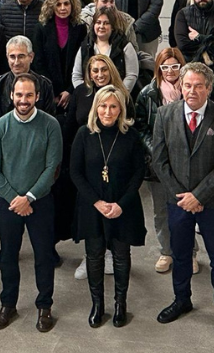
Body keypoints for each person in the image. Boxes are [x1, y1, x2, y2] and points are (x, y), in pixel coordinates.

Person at [150, 61, 214, 335]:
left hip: (211, 201)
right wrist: (183, 196)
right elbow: (159, 160)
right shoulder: (164, 115)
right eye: (187, 85)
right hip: (177, 201)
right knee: (180, 253)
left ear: (209, 88)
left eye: (198, 86)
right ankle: (181, 299)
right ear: (180, 86)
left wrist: (198, 195)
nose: (191, 91)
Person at [0, 74, 63, 333]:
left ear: (38, 96)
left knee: (43, 256)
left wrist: (28, 197)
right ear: (11, 96)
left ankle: (44, 306)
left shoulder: (51, 125)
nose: (24, 100)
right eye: (19, 95)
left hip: (40, 202)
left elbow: (53, 168)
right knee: (8, 255)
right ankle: (8, 304)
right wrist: (14, 198)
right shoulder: (0, 126)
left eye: (29, 95)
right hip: (8, 203)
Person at [70, 84, 147, 327]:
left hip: (123, 207)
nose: (108, 111)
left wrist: (120, 204)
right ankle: (97, 305)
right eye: (103, 106)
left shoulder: (131, 136)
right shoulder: (84, 134)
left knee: (122, 256)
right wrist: (97, 202)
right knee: (94, 256)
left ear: (120, 109)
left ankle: (120, 304)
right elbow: (75, 172)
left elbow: (138, 173)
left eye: (113, 106)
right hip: (93, 207)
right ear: (96, 108)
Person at [135, 48, 199, 274]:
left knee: (185, 210)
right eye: (165, 67)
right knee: (161, 211)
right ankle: (166, 252)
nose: (170, 72)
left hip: (187, 164)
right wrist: (157, 151)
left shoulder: (191, 91)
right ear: (158, 69)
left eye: (175, 66)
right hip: (157, 165)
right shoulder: (147, 94)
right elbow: (141, 128)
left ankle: (189, 253)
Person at [32, 0, 87, 114]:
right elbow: (39, 63)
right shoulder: (41, 28)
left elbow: (83, 62)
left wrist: (69, 90)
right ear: (52, 6)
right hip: (48, 92)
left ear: (72, 5)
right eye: (58, 4)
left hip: (73, 90)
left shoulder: (80, 28)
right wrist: (53, 92)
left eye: (66, 4)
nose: (63, 8)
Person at [0, 36, 58, 123]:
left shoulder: (45, 85)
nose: (16, 62)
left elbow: (49, 121)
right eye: (12, 57)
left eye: (21, 56)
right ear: (7, 58)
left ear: (31, 57)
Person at [73, 8, 140, 95]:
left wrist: (119, 95)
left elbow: (132, 75)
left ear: (112, 26)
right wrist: (86, 96)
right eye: (98, 22)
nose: (101, 26)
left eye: (106, 23)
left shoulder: (124, 45)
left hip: (118, 97)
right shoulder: (85, 46)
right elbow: (76, 76)